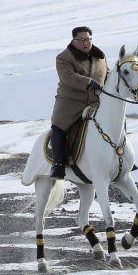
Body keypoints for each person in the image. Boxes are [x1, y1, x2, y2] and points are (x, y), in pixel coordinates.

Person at [48, 26, 107, 179]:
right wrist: (88, 82)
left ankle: (121, 155)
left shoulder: (100, 57)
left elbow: (107, 74)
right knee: (58, 126)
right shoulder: (63, 58)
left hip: (95, 101)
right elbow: (67, 76)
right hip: (70, 101)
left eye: (88, 39)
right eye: (81, 40)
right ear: (73, 40)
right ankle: (58, 164)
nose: (85, 43)